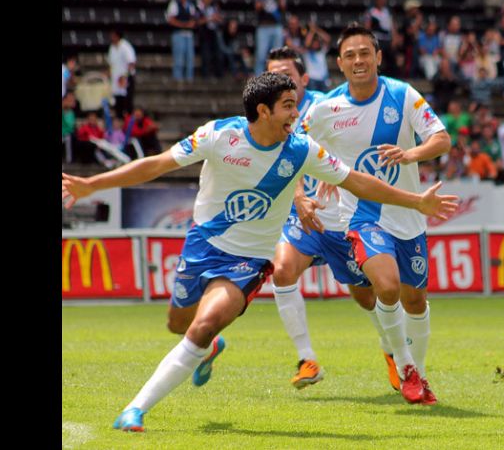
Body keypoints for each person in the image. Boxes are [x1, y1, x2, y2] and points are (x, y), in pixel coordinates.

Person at [62, 72, 458, 432]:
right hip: (202, 245)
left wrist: (415, 201)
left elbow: (358, 182)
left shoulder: (302, 150)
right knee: (179, 323)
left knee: (202, 326)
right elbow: (156, 165)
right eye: (288, 106)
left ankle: (134, 410)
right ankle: (211, 347)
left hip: (248, 261)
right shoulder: (218, 136)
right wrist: (92, 185)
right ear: (263, 111)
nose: (296, 113)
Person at [298, 24, 452, 405]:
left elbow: (442, 138)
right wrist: (306, 190)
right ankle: (406, 369)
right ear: (339, 63)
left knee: (415, 300)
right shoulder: (325, 109)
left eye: (365, 52)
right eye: (350, 55)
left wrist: (410, 154)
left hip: (408, 215)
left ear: (378, 57)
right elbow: (294, 150)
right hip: (361, 216)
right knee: (386, 287)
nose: (358, 61)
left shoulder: (402, 95)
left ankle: (419, 370)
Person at [265, 46, 392, 392]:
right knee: (282, 270)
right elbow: (281, 163)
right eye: (273, 75)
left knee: (365, 296)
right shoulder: (268, 115)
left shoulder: (330, 105)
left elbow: (353, 140)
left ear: (304, 78)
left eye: (286, 74)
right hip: (303, 215)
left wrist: (333, 169)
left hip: (342, 217)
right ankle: (307, 359)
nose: (280, 81)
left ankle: (390, 350)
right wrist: (300, 196)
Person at [166, 0, 199, 81]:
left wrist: (190, 24)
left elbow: (194, 19)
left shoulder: (190, 5)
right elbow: (171, 20)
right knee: (178, 59)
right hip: (178, 33)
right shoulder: (174, 4)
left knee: (190, 59)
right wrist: (183, 24)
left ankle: (189, 79)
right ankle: (177, 79)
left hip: (188, 34)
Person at [107, 29, 137, 118]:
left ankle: (128, 122)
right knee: (117, 101)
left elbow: (131, 62)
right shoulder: (112, 47)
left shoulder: (125, 47)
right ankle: (119, 120)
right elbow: (111, 63)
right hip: (115, 79)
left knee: (127, 101)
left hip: (125, 78)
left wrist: (125, 76)